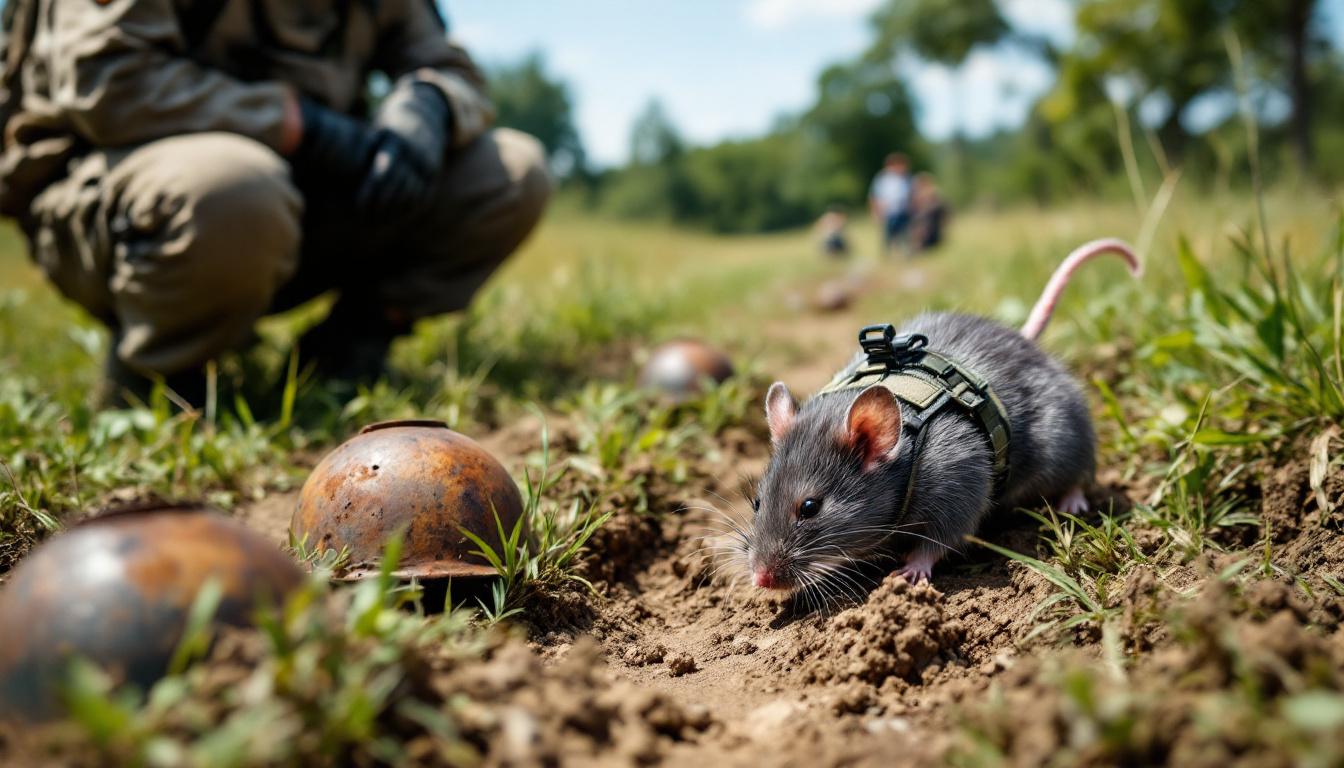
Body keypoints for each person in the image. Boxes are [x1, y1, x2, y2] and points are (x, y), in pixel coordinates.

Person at [0, 0, 551, 406]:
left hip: (299, 207)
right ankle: (160, 379)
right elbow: (109, 84)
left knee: (510, 172)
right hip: (135, 211)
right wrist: (300, 127)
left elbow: (451, 67)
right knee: (235, 188)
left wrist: (428, 105)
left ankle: (348, 349)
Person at [868, 153, 911, 258]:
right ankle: (887, 255)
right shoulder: (882, 179)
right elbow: (874, 196)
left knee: (904, 235)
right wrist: (875, 211)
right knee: (888, 235)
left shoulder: (906, 178)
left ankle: (904, 254)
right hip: (888, 212)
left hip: (903, 211)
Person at [909, 173, 948, 255]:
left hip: (931, 221)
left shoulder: (933, 192)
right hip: (920, 221)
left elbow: (941, 207)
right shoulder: (915, 194)